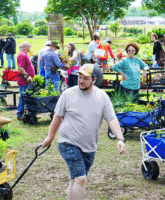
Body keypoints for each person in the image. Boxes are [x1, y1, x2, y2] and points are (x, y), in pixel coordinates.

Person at [42, 64, 126, 200]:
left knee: (76, 179)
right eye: (79, 77)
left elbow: (111, 119)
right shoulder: (68, 94)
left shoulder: (102, 96)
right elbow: (57, 117)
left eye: (85, 78)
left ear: (94, 79)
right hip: (68, 142)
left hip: (89, 147)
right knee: (81, 179)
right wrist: (50, 138)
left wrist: (120, 139)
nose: (81, 81)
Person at [17, 41, 35, 120]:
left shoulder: (24, 55)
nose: (30, 48)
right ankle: (20, 114)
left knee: (27, 96)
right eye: (29, 47)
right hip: (24, 81)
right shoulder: (22, 55)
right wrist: (27, 76)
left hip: (26, 81)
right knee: (23, 97)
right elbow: (20, 68)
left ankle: (29, 113)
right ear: (25, 47)